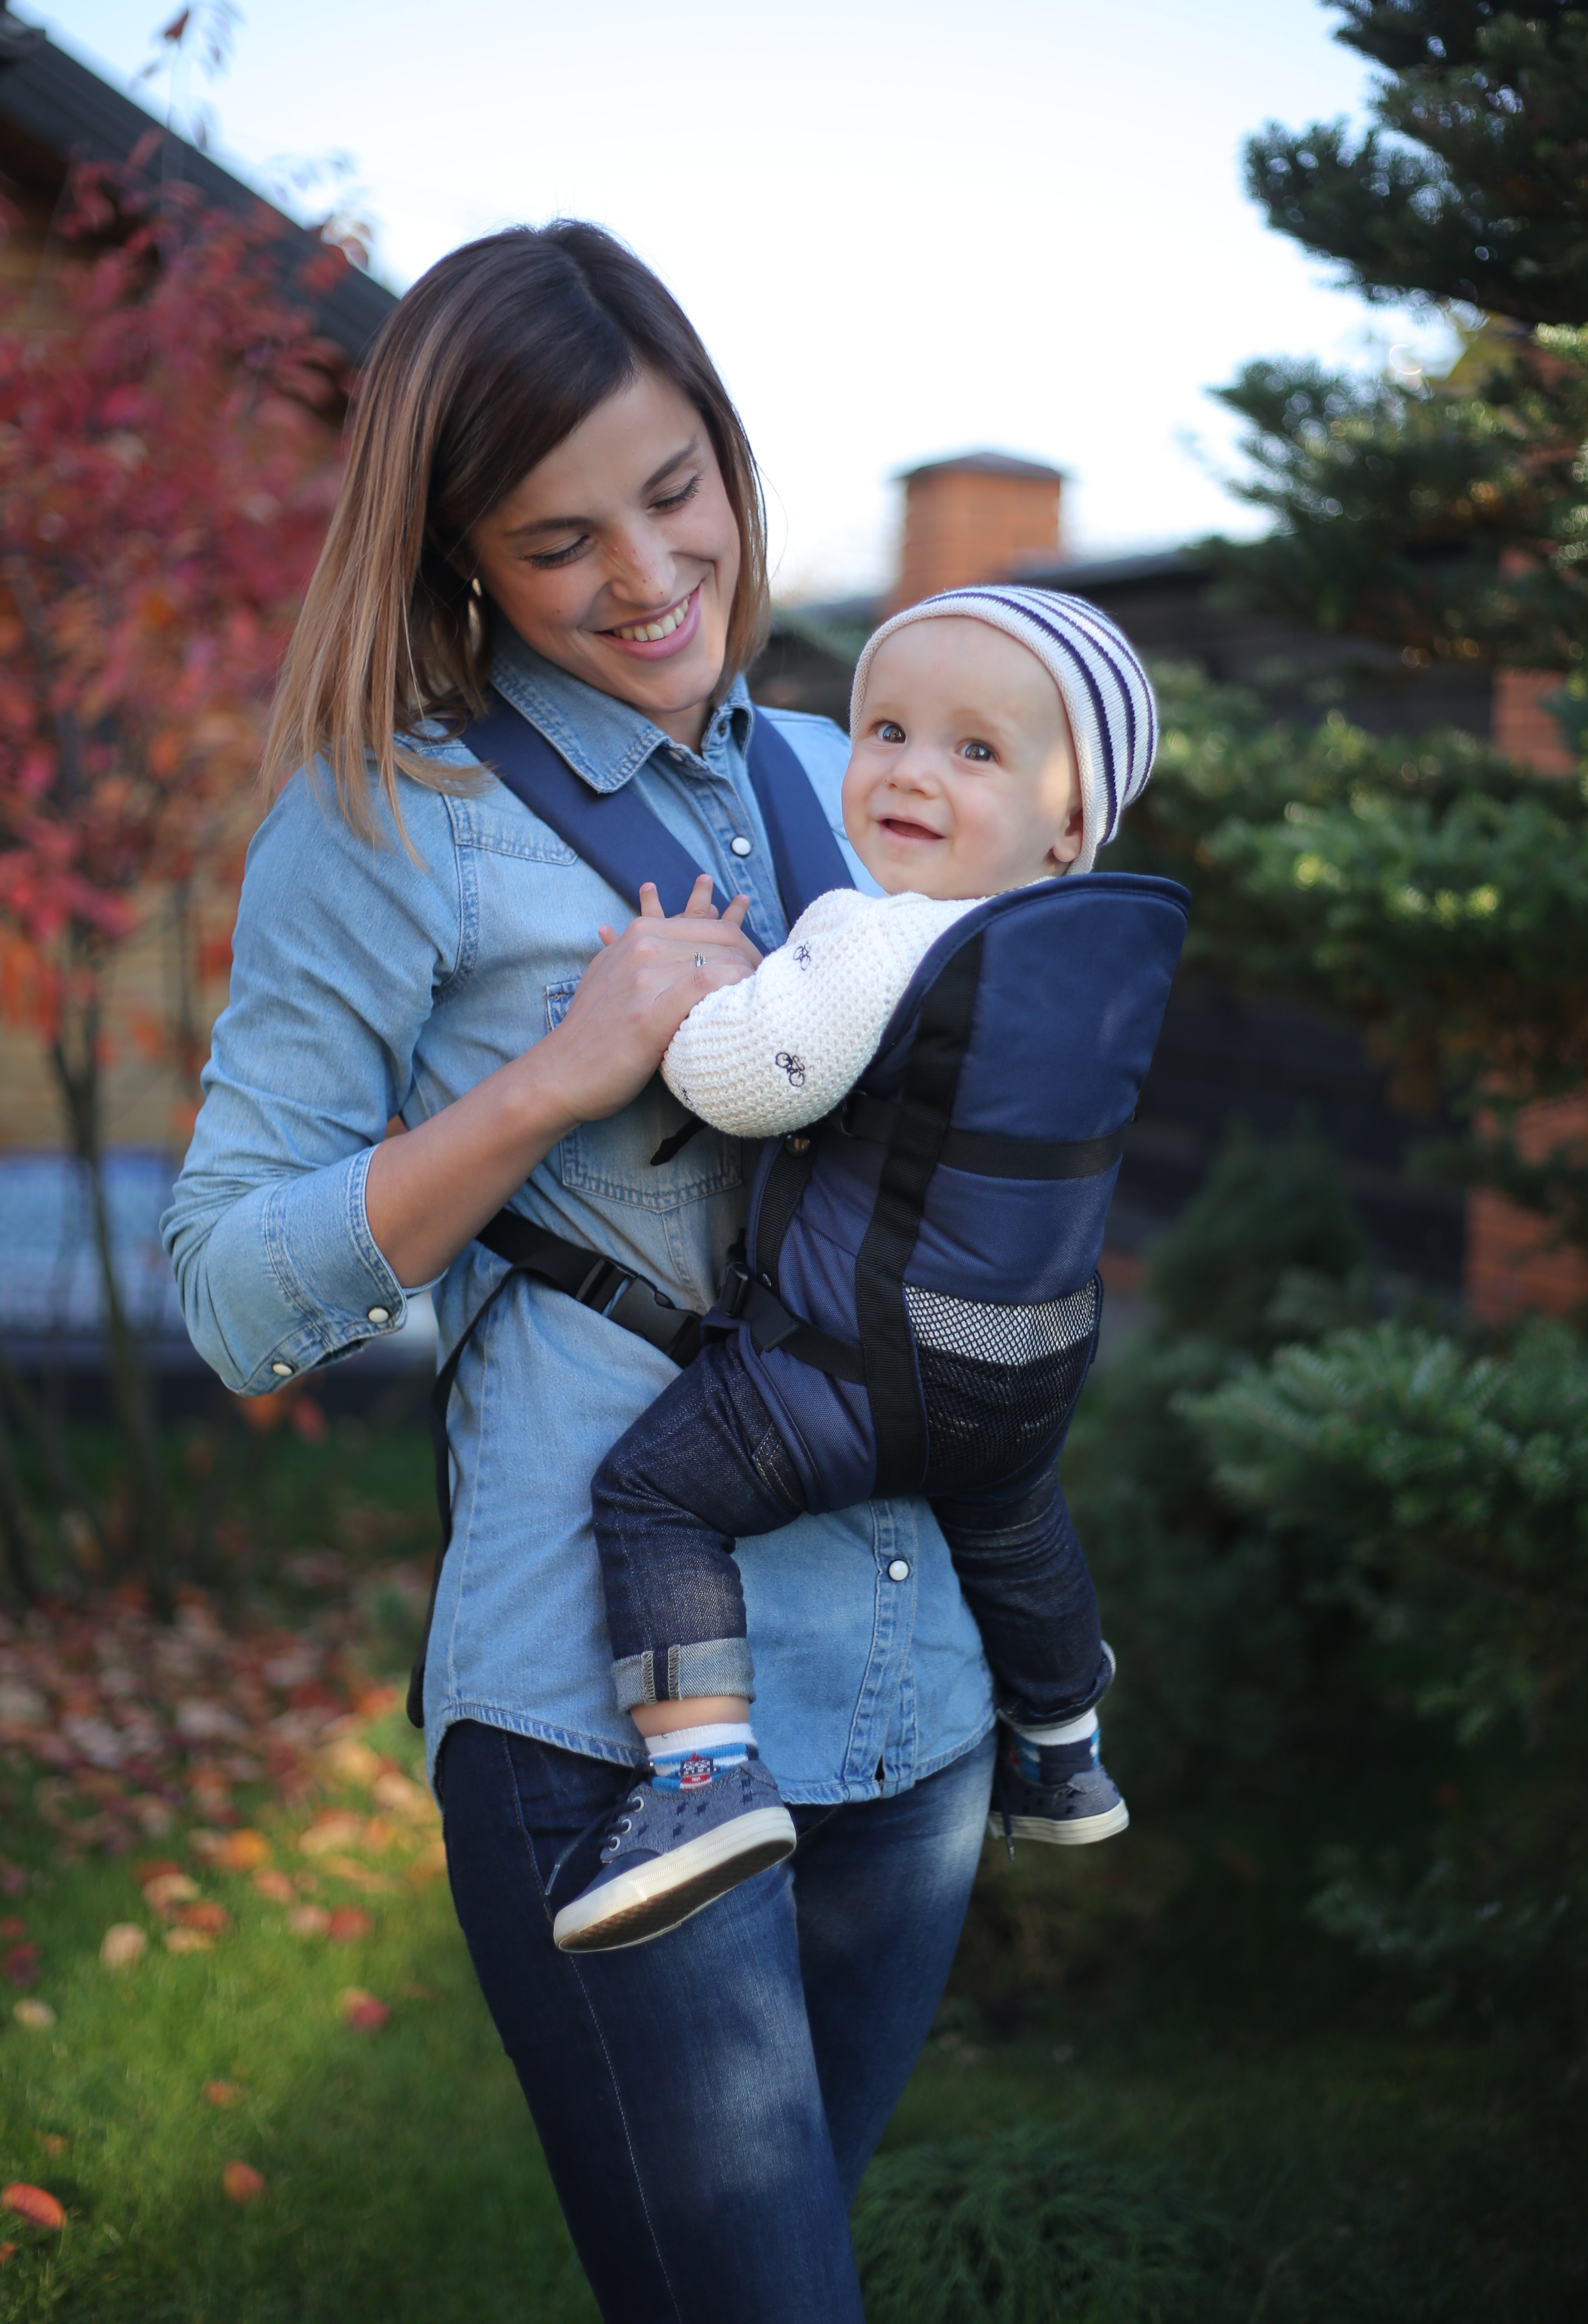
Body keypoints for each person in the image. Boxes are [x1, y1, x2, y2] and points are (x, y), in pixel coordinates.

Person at [163, 221, 998, 2324]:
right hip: (602, 1715)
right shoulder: (387, 823)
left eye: (671, 489)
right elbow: (229, 1293)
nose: (643, 575)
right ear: (457, 555)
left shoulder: (846, 780)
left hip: (916, 1679)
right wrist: (556, 1077)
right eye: (556, 542)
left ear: (724, 452)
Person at [559, 587, 1157, 1955]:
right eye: (887, 728)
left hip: (864, 1373)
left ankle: (702, 1776)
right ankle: (1065, 1749)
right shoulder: (1088, 953)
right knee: (1011, 1519)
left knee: (651, 1493)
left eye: (976, 752)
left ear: (1072, 820)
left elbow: (742, 1081)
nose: (906, 771)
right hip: (1029, 1360)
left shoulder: (877, 933)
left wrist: (693, 1000)